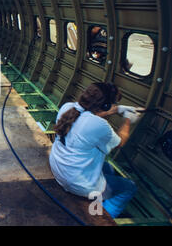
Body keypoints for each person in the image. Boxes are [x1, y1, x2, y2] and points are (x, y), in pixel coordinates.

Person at [49, 82, 142, 218]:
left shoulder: (67, 107)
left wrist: (117, 109)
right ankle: (98, 217)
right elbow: (120, 142)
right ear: (105, 105)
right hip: (76, 183)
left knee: (108, 168)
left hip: (59, 169)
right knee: (129, 187)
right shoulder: (100, 126)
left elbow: (87, 118)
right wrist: (128, 119)